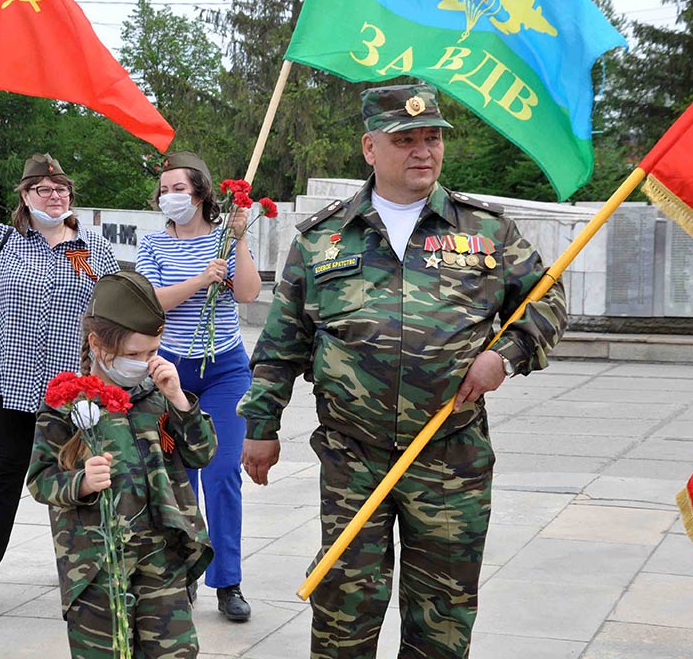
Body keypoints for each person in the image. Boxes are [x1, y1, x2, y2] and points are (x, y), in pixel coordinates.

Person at [238, 85, 569, 659]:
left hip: (449, 457)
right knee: (343, 608)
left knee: (441, 617)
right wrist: (261, 427)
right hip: (353, 457)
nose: (423, 151)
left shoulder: (485, 231)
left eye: (433, 138)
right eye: (406, 140)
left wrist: (505, 355)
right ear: (370, 147)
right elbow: (282, 341)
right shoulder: (323, 238)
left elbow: (549, 300)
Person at [0, 153, 119, 601]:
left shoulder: (90, 249)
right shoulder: (5, 241)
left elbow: (114, 310)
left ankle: (87, 570)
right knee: (2, 475)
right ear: (25, 195)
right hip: (12, 383)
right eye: (45, 189)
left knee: (76, 478)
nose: (56, 196)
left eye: (62, 190)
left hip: (73, 392)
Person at [26, 271, 216, 657]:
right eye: (133, 355)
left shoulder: (158, 394)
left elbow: (202, 454)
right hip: (96, 563)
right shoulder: (67, 403)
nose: (145, 363)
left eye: (152, 351)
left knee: (176, 650)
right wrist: (81, 482)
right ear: (97, 344)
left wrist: (180, 401)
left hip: (160, 553)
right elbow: (41, 480)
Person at [134, 151, 261, 621]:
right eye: (164, 190)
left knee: (223, 471)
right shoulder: (153, 244)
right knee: (175, 478)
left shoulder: (226, 239)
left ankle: (228, 581)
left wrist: (240, 242)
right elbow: (150, 303)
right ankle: (182, 573)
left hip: (225, 369)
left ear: (203, 194)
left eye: (178, 189)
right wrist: (199, 280)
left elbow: (248, 293)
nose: (170, 197)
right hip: (170, 374)